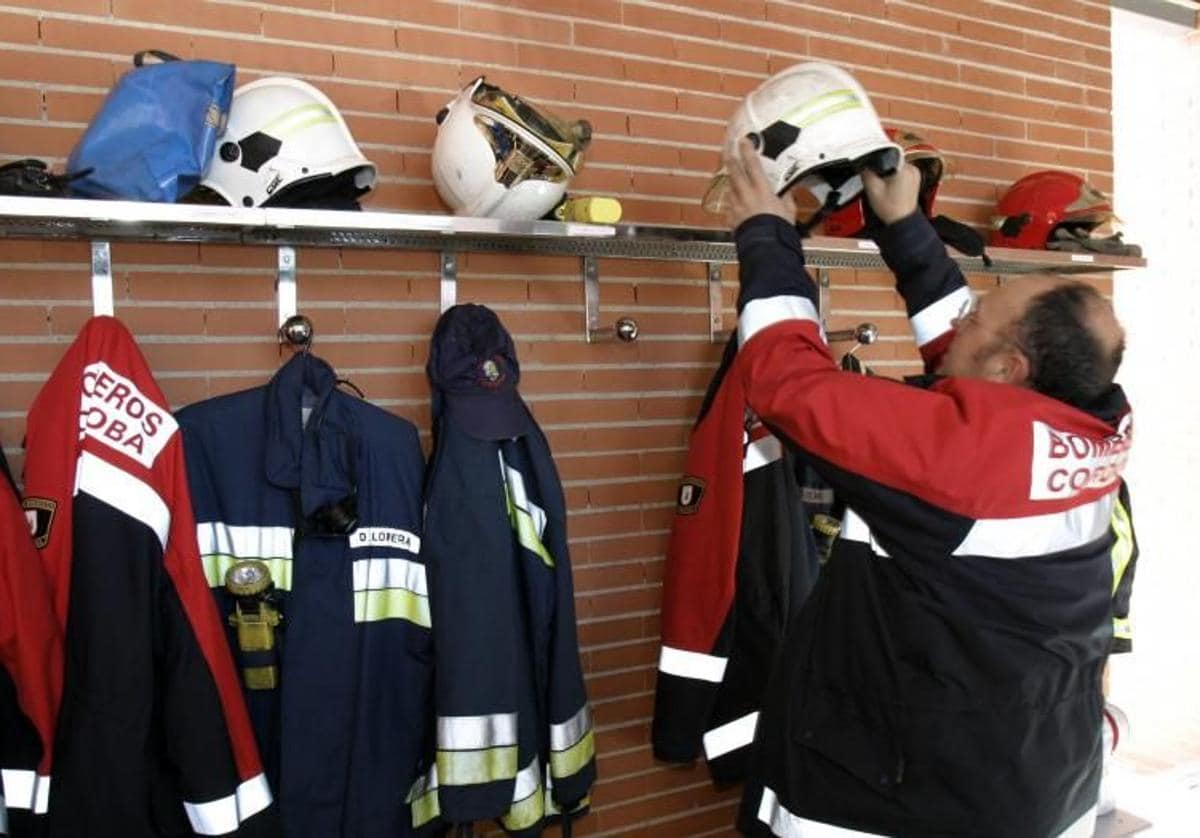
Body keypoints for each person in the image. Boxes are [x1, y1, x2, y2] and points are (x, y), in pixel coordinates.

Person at [722, 137, 1134, 838]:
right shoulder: (1092, 424)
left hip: (897, 806)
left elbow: (789, 385)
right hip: (1036, 781)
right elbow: (971, 362)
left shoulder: (961, 463)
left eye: (978, 315)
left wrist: (766, 233)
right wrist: (902, 226)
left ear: (1009, 368)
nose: (963, 317)